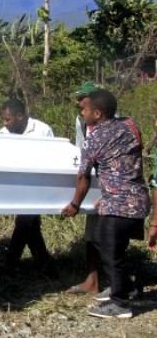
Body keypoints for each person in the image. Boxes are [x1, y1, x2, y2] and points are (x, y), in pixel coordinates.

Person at [63, 89, 149, 319]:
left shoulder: (95, 139)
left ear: (98, 113)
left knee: (110, 251)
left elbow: (83, 176)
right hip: (138, 200)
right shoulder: (129, 126)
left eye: (85, 109)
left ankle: (120, 304)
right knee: (111, 246)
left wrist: (74, 204)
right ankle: (125, 286)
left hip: (119, 204)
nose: (82, 113)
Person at [0, 98, 55, 272]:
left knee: (25, 220)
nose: (5, 123)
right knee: (30, 223)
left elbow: (54, 157)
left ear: (20, 116)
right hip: (16, 185)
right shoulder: (3, 134)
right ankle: (43, 262)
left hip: (38, 184)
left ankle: (11, 263)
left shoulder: (42, 130)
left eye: (8, 119)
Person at [66, 81, 103, 295]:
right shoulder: (81, 121)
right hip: (89, 182)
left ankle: (120, 286)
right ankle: (93, 281)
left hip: (108, 186)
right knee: (92, 236)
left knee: (109, 236)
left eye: (83, 98)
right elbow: (81, 151)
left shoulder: (112, 122)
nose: (79, 103)